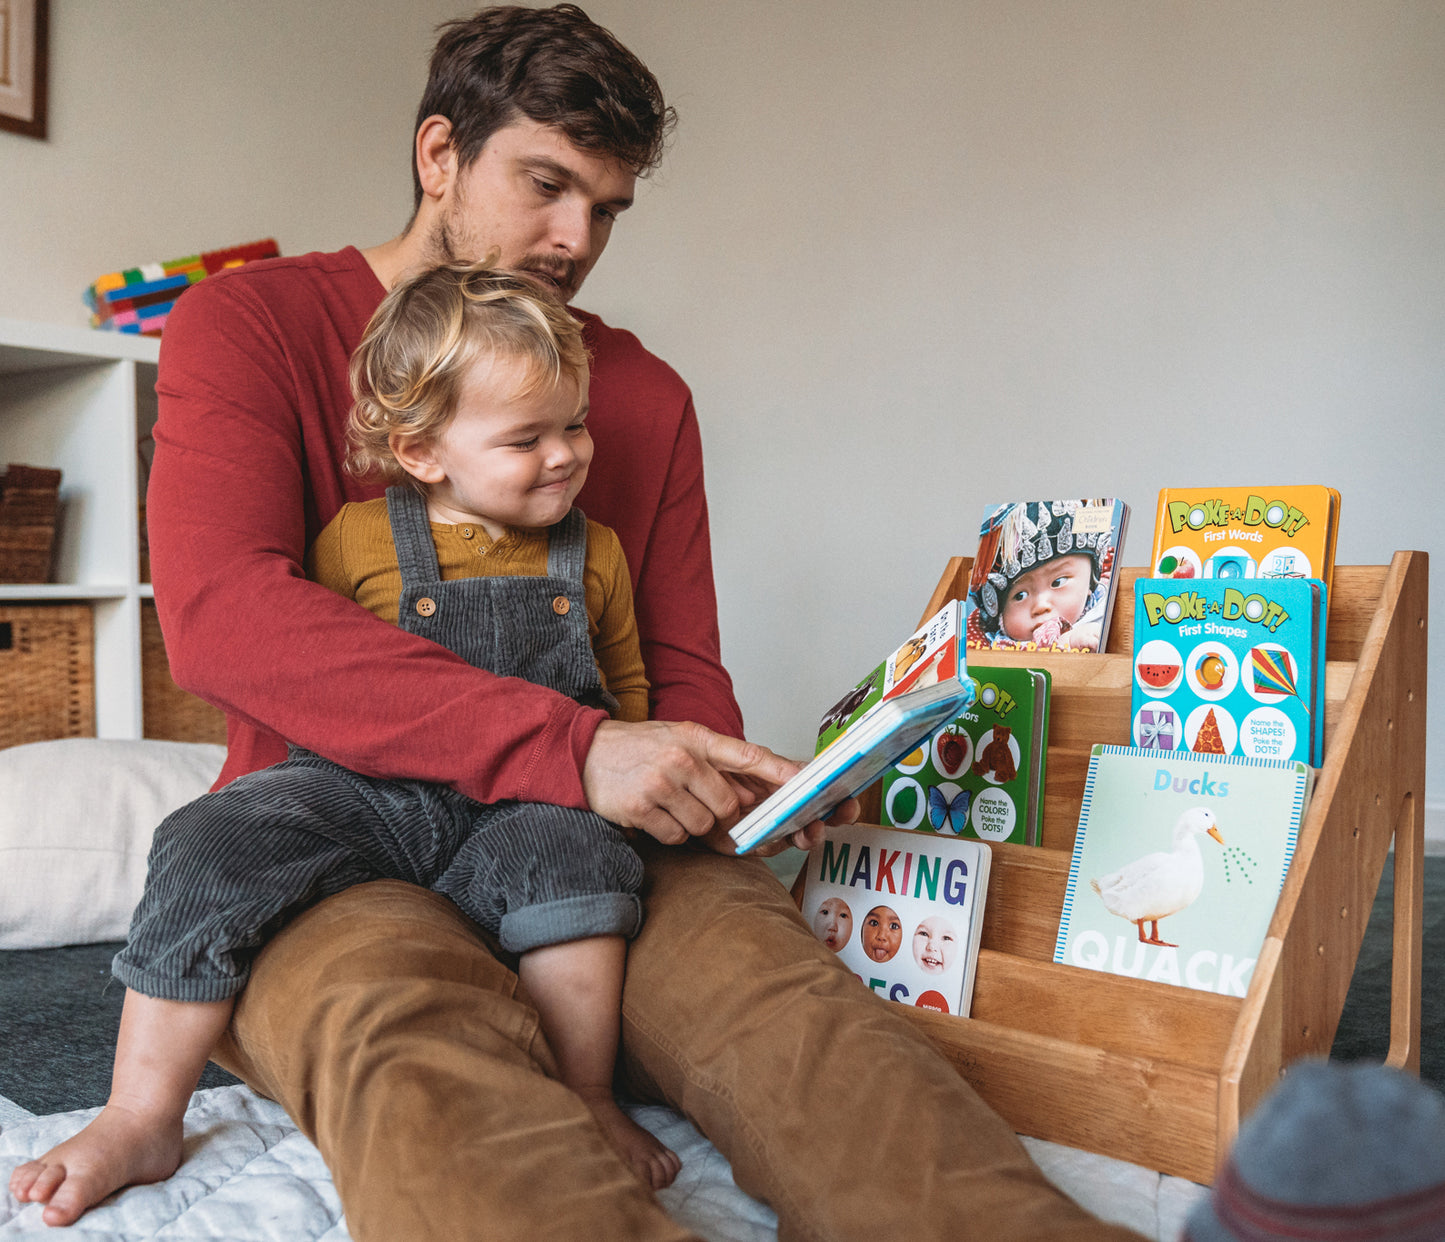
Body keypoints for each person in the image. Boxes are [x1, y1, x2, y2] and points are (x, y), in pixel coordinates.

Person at [36, 7, 1146, 1238]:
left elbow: (674, 675)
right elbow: (223, 620)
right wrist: (569, 748)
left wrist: (739, 785)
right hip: (334, 847)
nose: (575, 239)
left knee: (794, 1018)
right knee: (412, 1047)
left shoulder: (644, 396)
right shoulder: (249, 325)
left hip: (596, 847)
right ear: (439, 155)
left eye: (607, 207)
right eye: (547, 184)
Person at [7, 264, 682, 1225]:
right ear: (421, 450)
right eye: (524, 439)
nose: (566, 455)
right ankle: (140, 1111)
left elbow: (625, 696)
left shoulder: (596, 552)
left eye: (572, 425)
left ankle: (585, 1095)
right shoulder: (356, 543)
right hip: (367, 791)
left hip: (528, 797)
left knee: (581, 869)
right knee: (207, 841)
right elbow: (316, 684)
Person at [968, 500, 1116, 650]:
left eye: (1058, 582)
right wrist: (1066, 643)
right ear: (1000, 617)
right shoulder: (993, 647)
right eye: (1020, 595)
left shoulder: (1111, 602)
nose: (1041, 605)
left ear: (1091, 583)